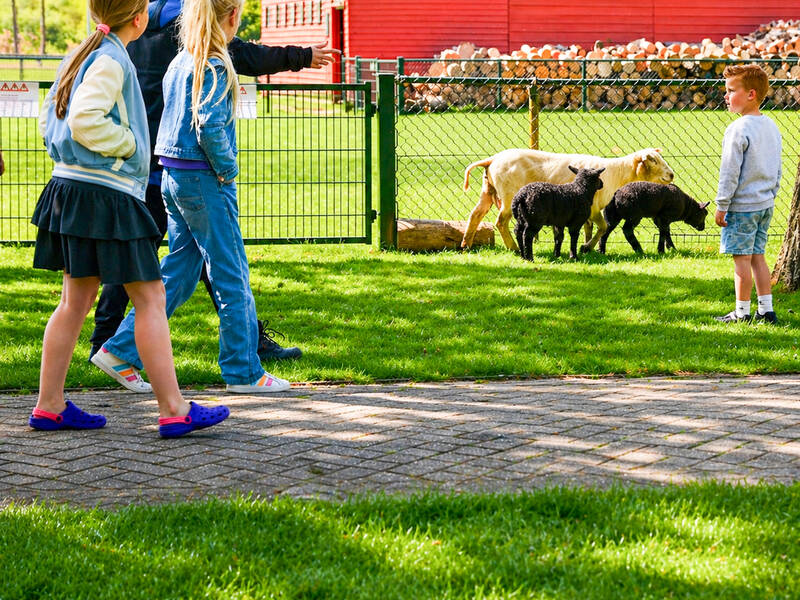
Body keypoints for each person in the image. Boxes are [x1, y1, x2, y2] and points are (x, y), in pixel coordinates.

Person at [88, 0, 338, 364]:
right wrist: (228, 169)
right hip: (195, 168)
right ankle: (244, 362)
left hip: (151, 158)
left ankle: (109, 343)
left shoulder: (137, 23)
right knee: (226, 268)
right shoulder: (197, 36)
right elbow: (231, 81)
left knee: (154, 260)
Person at [28, 0, 228, 438]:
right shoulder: (112, 59)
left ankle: (49, 405)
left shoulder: (81, 51)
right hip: (107, 198)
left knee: (74, 300)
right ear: (138, 18)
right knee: (152, 298)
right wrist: (130, 145)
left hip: (70, 191)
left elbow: (51, 121)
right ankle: (175, 409)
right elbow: (83, 119)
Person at [713, 64, 782, 325]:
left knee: (741, 259)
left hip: (742, 207)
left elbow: (729, 172)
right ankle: (766, 310)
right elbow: (777, 167)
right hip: (765, 204)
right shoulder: (771, 126)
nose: (726, 96)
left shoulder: (738, 129)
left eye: (731, 91)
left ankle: (741, 312)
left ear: (751, 94)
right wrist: (771, 193)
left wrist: (722, 205)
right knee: (758, 257)